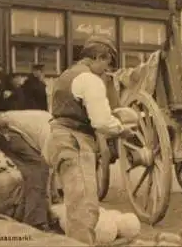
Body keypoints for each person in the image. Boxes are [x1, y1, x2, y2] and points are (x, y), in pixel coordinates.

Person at [42, 36, 136, 245]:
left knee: (75, 203)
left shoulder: (66, 75)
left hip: (58, 137)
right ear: (98, 57)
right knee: (84, 207)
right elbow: (101, 121)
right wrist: (121, 130)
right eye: (106, 63)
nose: (106, 69)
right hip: (75, 141)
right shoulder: (90, 80)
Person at [0, 110, 56, 231]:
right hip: (3, 128)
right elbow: (46, 166)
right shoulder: (51, 133)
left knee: (29, 174)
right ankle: (34, 221)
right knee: (39, 171)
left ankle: (32, 216)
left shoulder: (50, 123)